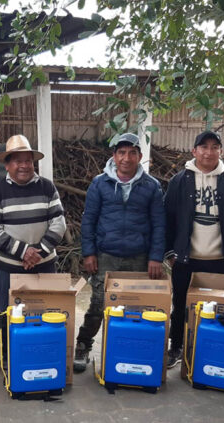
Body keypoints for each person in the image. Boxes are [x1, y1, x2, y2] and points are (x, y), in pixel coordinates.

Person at [73, 133, 166, 373]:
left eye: (132, 153)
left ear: (140, 156)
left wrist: (156, 257)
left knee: (135, 306)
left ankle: (130, 349)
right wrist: (89, 253)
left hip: (139, 257)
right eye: (122, 152)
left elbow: (159, 224)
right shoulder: (100, 183)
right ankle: (83, 345)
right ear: (114, 156)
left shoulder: (151, 186)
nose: (126, 158)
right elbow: (89, 220)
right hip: (106, 255)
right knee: (98, 304)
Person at [164, 130, 224, 369]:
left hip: (220, 259)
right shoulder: (180, 181)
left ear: (221, 151)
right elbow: (167, 217)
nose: (209, 152)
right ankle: (176, 346)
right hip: (186, 258)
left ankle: (210, 349)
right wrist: (170, 253)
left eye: (214, 147)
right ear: (194, 151)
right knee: (180, 305)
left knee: (218, 307)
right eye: (204, 147)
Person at [0, 134, 67, 315]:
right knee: (8, 317)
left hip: (44, 266)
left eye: (28, 161)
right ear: (7, 165)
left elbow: (59, 223)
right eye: (18, 161)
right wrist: (23, 252)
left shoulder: (47, 187)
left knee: (45, 316)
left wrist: (38, 253)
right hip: (8, 269)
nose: (24, 165)